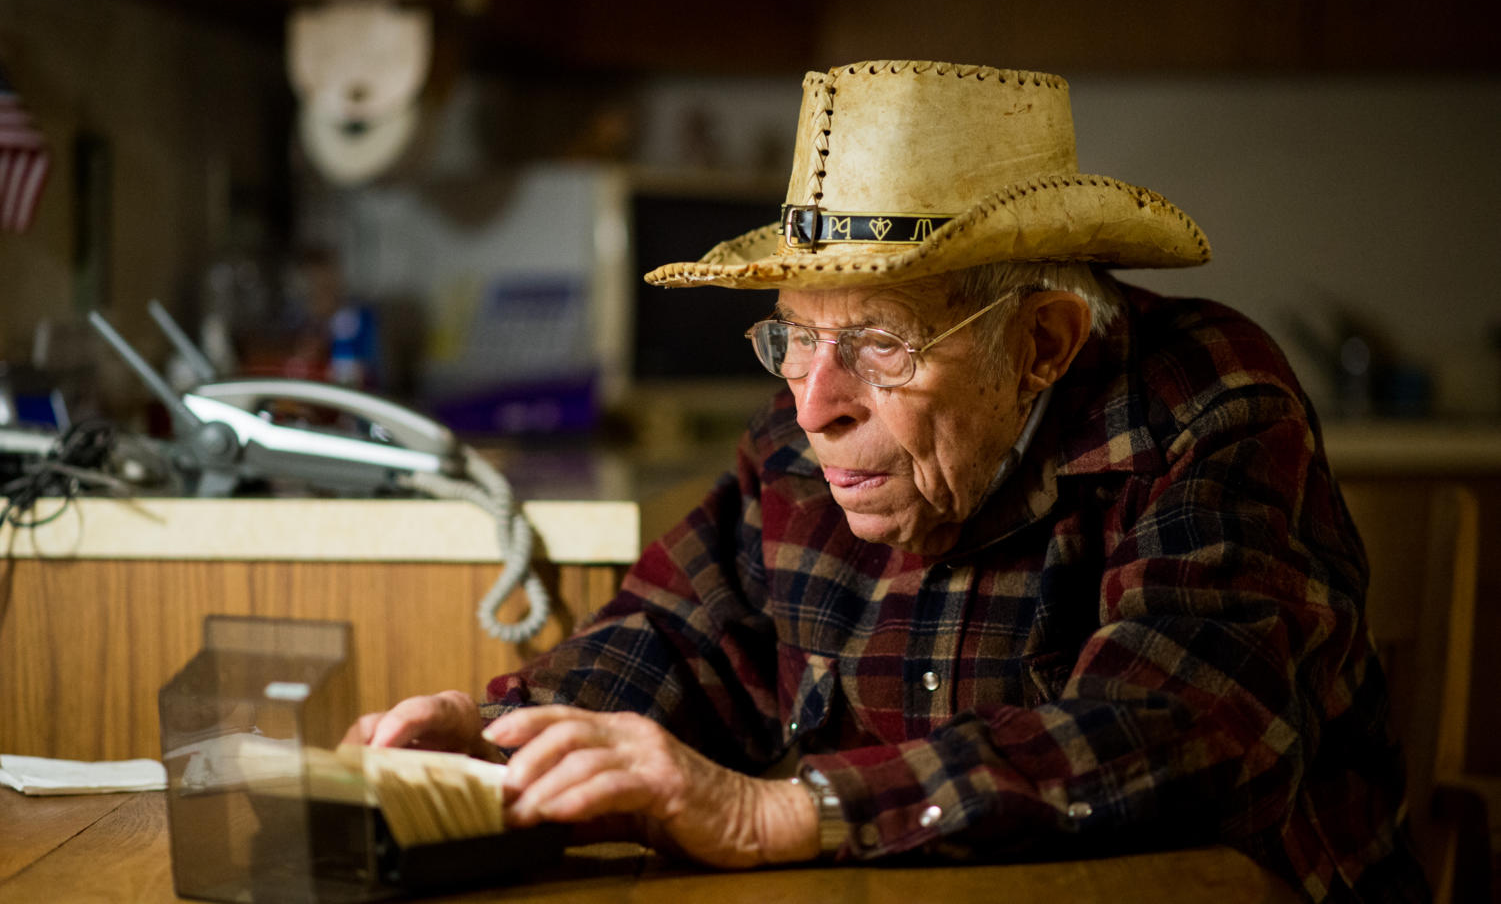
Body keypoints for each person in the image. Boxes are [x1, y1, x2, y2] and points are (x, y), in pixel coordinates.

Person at [348, 60, 1426, 900]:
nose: (816, 403)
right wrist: (503, 742)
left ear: (1041, 344)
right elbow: (678, 640)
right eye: (796, 339)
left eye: (876, 343)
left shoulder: (1207, 400)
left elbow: (1183, 734)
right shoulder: (804, 426)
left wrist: (780, 812)